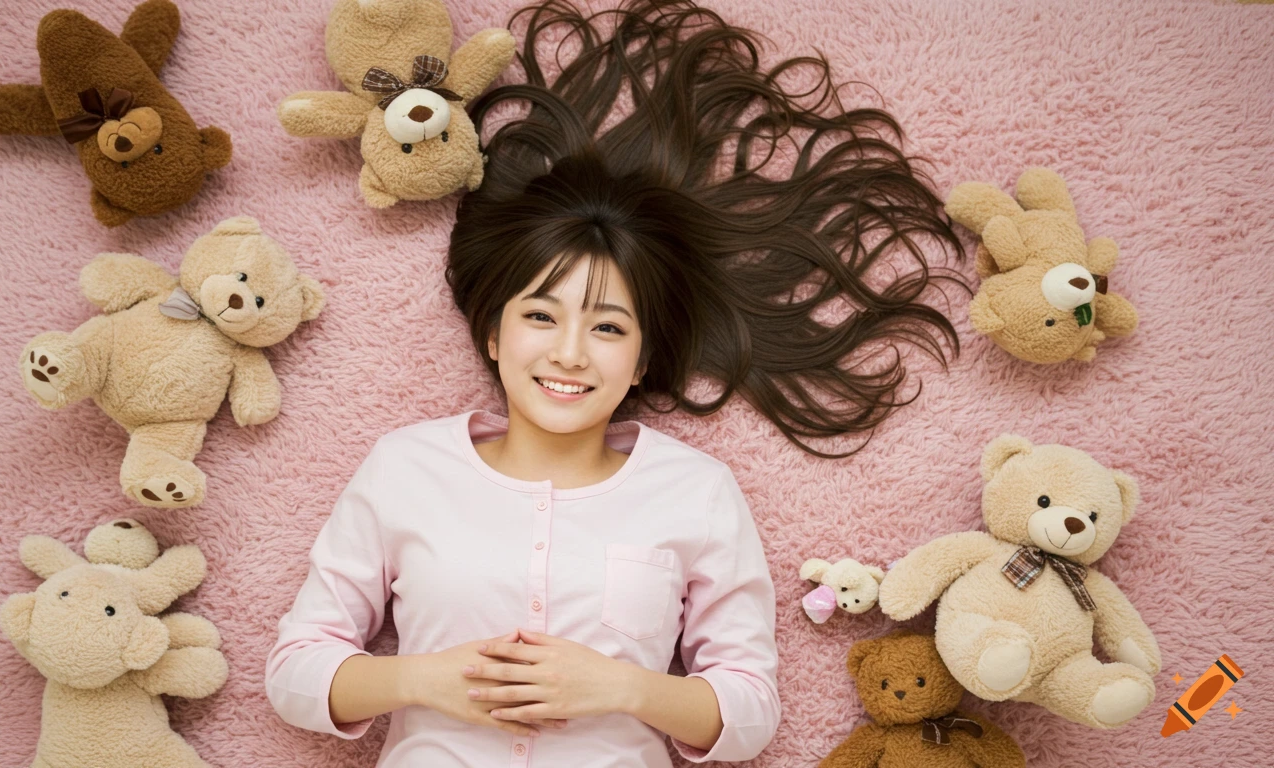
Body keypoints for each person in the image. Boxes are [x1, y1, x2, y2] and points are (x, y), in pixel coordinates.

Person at [266, 0, 963, 765]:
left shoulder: (695, 491)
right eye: (541, 317)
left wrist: (621, 688)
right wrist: (423, 680)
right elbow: (295, 672)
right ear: (493, 334)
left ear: (641, 360)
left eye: (606, 328)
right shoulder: (406, 468)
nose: (570, 353)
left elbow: (750, 712)